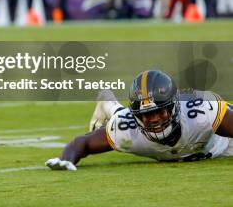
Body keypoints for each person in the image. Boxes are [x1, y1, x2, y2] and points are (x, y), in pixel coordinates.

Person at [46, 70, 233, 171]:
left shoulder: (201, 113)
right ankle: (107, 101)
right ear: (137, 116)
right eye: (146, 115)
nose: (154, 120)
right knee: (119, 115)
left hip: (222, 147)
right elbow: (83, 143)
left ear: (173, 107)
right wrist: (66, 160)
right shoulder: (127, 128)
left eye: (159, 111)